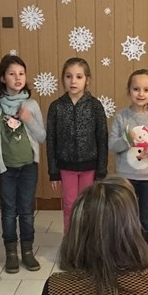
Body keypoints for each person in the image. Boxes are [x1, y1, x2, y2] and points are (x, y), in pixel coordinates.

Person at [0, 53, 46, 273]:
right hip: (6, 168)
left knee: (26, 210)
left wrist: (29, 119)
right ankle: (11, 253)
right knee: (8, 211)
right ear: (2, 78)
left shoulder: (31, 104)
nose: (17, 78)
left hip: (28, 167)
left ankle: (27, 251)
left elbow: (41, 136)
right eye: (12, 74)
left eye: (21, 73)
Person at [109, 69, 148, 247]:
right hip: (125, 177)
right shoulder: (121, 116)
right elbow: (111, 144)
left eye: (146, 89)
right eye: (136, 89)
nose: (141, 94)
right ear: (129, 90)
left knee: (146, 216)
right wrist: (127, 140)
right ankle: (125, 250)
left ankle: (145, 252)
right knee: (124, 215)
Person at [46, 57, 108, 234]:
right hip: (66, 167)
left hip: (90, 166)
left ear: (87, 79)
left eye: (79, 77)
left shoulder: (95, 106)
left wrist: (101, 170)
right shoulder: (56, 107)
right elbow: (51, 140)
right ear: (63, 79)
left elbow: (102, 138)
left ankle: (87, 241)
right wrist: (53, 171)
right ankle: (71, 241)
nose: (73, 81)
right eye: (68, 76)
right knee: (70, 205)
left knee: (88, 205)